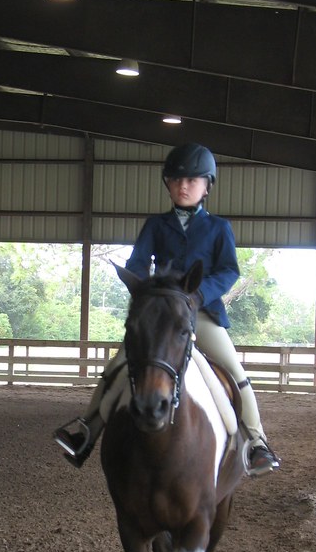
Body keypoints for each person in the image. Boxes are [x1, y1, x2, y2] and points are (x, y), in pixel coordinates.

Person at [54, 142, 280, 477]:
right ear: (168, 184)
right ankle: (86, 431)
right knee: (117, 366)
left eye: (192, 180)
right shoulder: (156, 225)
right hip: (162, 316)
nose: (183, 186)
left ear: (207, 186)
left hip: (201, 313)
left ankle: (258, 442)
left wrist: (200, 294)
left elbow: (229, 270)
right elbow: (137, 263)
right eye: (176, 180)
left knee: (235, 371)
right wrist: (146, 290)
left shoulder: (219, 228)